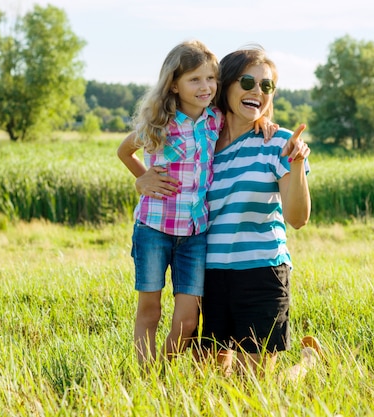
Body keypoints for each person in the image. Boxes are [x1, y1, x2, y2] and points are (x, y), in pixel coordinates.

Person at [136, 45, 313, 375]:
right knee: (213, 381)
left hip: (261, 274)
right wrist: (142, 179)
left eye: (266, 86)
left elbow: (298, 219)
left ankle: (306, 364)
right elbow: (155, 162)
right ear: (227, 84)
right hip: (212, 277)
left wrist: (298, 163)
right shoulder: (204, 141)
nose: (257, 92)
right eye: (248, 82)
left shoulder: (279, 143)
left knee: (252, 387)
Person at [116, 40, 276, 369]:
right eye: (194, 79)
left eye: (211, 79)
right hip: (153, 229)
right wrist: (142, 179)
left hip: (194, 235)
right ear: (174, 84)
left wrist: (265, 122)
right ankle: (145, 377)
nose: (205, 87)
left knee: (188, 322)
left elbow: (245, 118)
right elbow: (124, 150)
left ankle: (158, 371)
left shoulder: (215, 120)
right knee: (150, 310)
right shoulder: (158, 122)